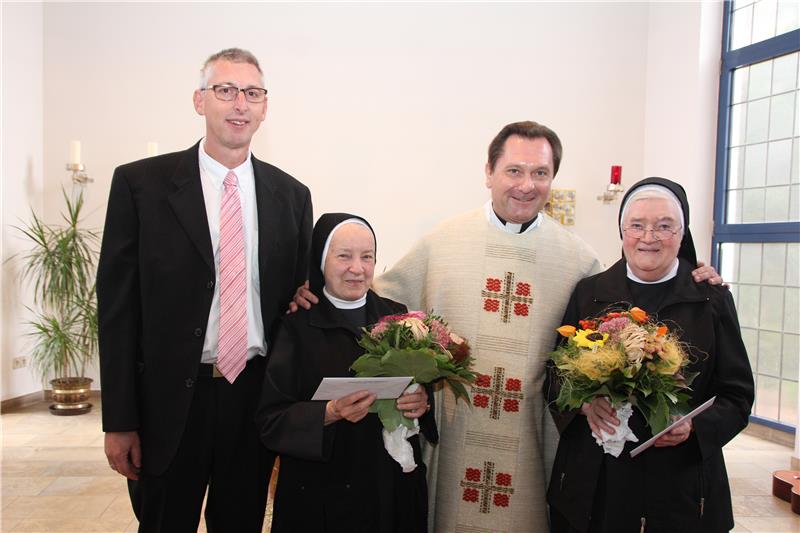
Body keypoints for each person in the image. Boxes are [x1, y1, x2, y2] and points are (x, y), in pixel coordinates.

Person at [293, 121, 723, 531]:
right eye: (513, 170)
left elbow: (637, 300)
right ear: (488, 172)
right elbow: (371, 302)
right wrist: (310, 290)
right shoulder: (443, 243)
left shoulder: (577, 259)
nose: (526, 184)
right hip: (457, 431)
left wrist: (692, 272)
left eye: (540, 172)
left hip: (530, 440)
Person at [97, 48, 313, 533]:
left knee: (240, 522)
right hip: (170, 402)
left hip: (253, 396)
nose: (240, 103)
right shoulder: (141, 186)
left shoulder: (292, 196)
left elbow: (295, 301)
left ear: (264, 107)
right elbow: (116, 312)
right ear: (200, 100)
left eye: (252, 93)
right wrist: (119, 420)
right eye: (226, 90)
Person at [545, 177, 754, 533]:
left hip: (678, 485)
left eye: (664, 226)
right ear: (622, 230)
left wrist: (694, 428)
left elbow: (737, 395)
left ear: (682, 233)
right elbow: (553, 376)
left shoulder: (711, 299)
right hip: (597, 483)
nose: (648, 237)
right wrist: (583, 405)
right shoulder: (590, 292)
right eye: (637, 225)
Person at [257, 213, 436, 532]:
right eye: (344, 256)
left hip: (388, 491)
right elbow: (271, 419)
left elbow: (421, 394)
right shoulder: (295, 327)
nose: (358, 268)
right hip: (320, 497)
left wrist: (422, 402)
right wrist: (328, 412)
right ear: (321, 260)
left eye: (367, 257)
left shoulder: (398, 318)